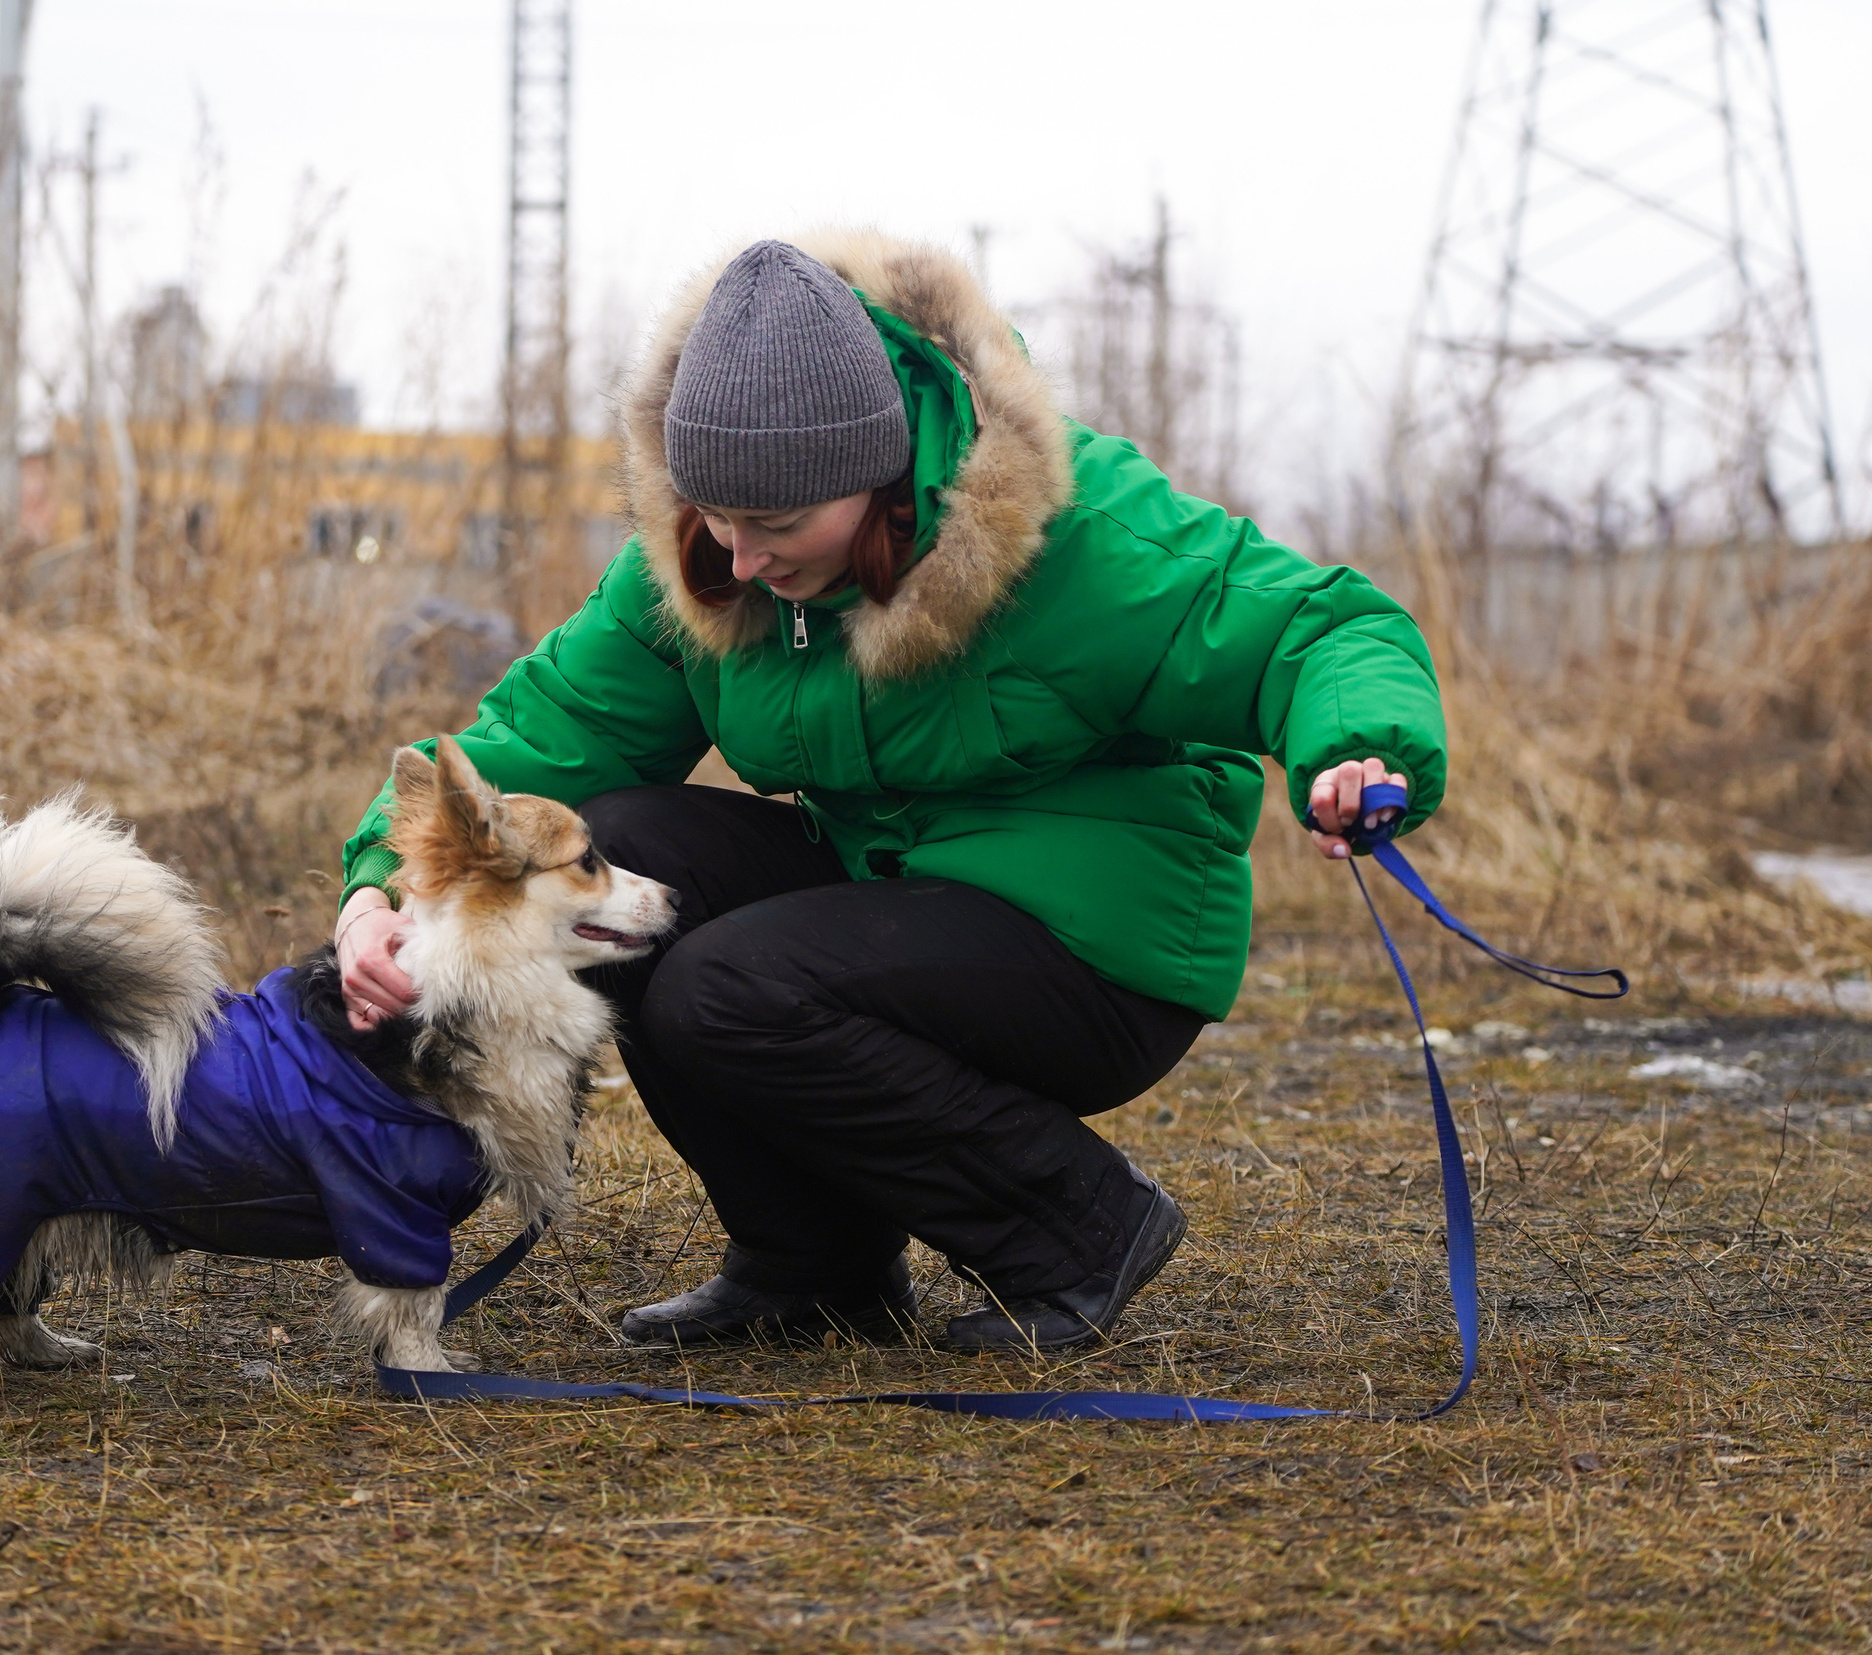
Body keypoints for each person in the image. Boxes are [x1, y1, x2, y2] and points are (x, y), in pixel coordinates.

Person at [330, 233, 1444, 1353]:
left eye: (778, 524)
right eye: (716, 515)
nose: (741, 558)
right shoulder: (706, 565)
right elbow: (534, 745)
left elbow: (1317, 628)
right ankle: (813, 1269)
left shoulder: (1082, 534)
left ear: (879, 475)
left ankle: (1073, 1230)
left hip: (1093, 949)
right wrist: (384, 890)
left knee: (727, 986)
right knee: (619, 865)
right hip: (884, 893)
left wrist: (1356, 749)